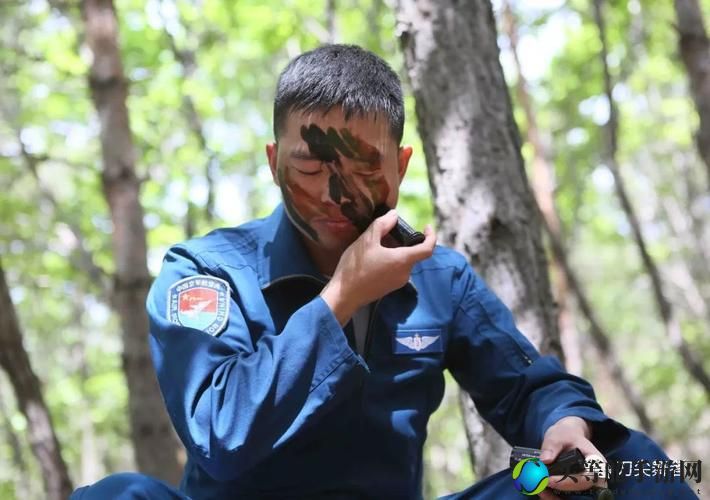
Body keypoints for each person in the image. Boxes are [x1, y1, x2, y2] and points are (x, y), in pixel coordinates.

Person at [71, 44, 697, 499]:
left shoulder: (437, 278)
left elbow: (527, 385)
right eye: (311, 170)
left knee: (630, 466)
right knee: (115, 497)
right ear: (272, 161)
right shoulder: (206, 271)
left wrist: (562, 424)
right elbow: (220, 433)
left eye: (364, 169)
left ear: (400, 165)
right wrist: (342, 296)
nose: (334, 196)